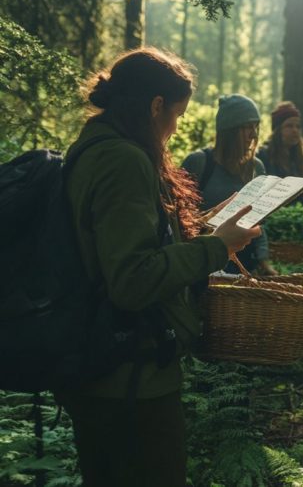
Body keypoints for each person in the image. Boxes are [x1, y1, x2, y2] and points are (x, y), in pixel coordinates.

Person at [59, 48, 261, 487]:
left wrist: (207, 233)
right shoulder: (123, 160)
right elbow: (132, 279)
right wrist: (216, 248)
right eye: (176, 114)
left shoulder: (95, 146)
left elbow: (126, 245)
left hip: (106, 366)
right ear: (155, 106)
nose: (174, 128)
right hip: (129, 376)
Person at [182, 94, 276, 275]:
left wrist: (264, 261)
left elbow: (258, 221)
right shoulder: (199, 163)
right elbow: (180, 221)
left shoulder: (256, 167)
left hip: (244, 267)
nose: (254, 134)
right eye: (248, 127)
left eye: (256, 127)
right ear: (229, 130)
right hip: (205, 267)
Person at [257, 101, 303, 215]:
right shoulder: (264, 157)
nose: (295, 130)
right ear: (278, 129)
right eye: (289, 126)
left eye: (298, 126)